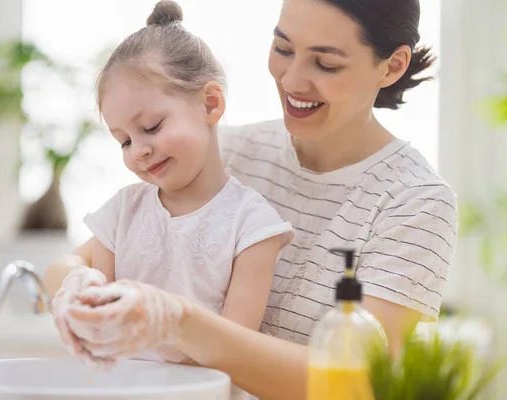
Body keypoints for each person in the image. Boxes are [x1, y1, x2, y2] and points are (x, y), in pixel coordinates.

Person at [58, 0, 459, 399]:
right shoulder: (225, 152)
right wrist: (74, 288)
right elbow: (82, 261)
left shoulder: (415, 202)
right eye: (283, 49)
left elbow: (353, 382)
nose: (292, 81)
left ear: (391, 66)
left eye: (326, 64)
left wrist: (179, 322)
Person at [44, 0, 295, 373]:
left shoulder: (252, 225)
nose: (139, 151)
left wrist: (167, 329)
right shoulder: (121, 213)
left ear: (210, 103)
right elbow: (96, 322)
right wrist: (80, 289)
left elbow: (235, 352)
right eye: (124, 141)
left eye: (152, 126)